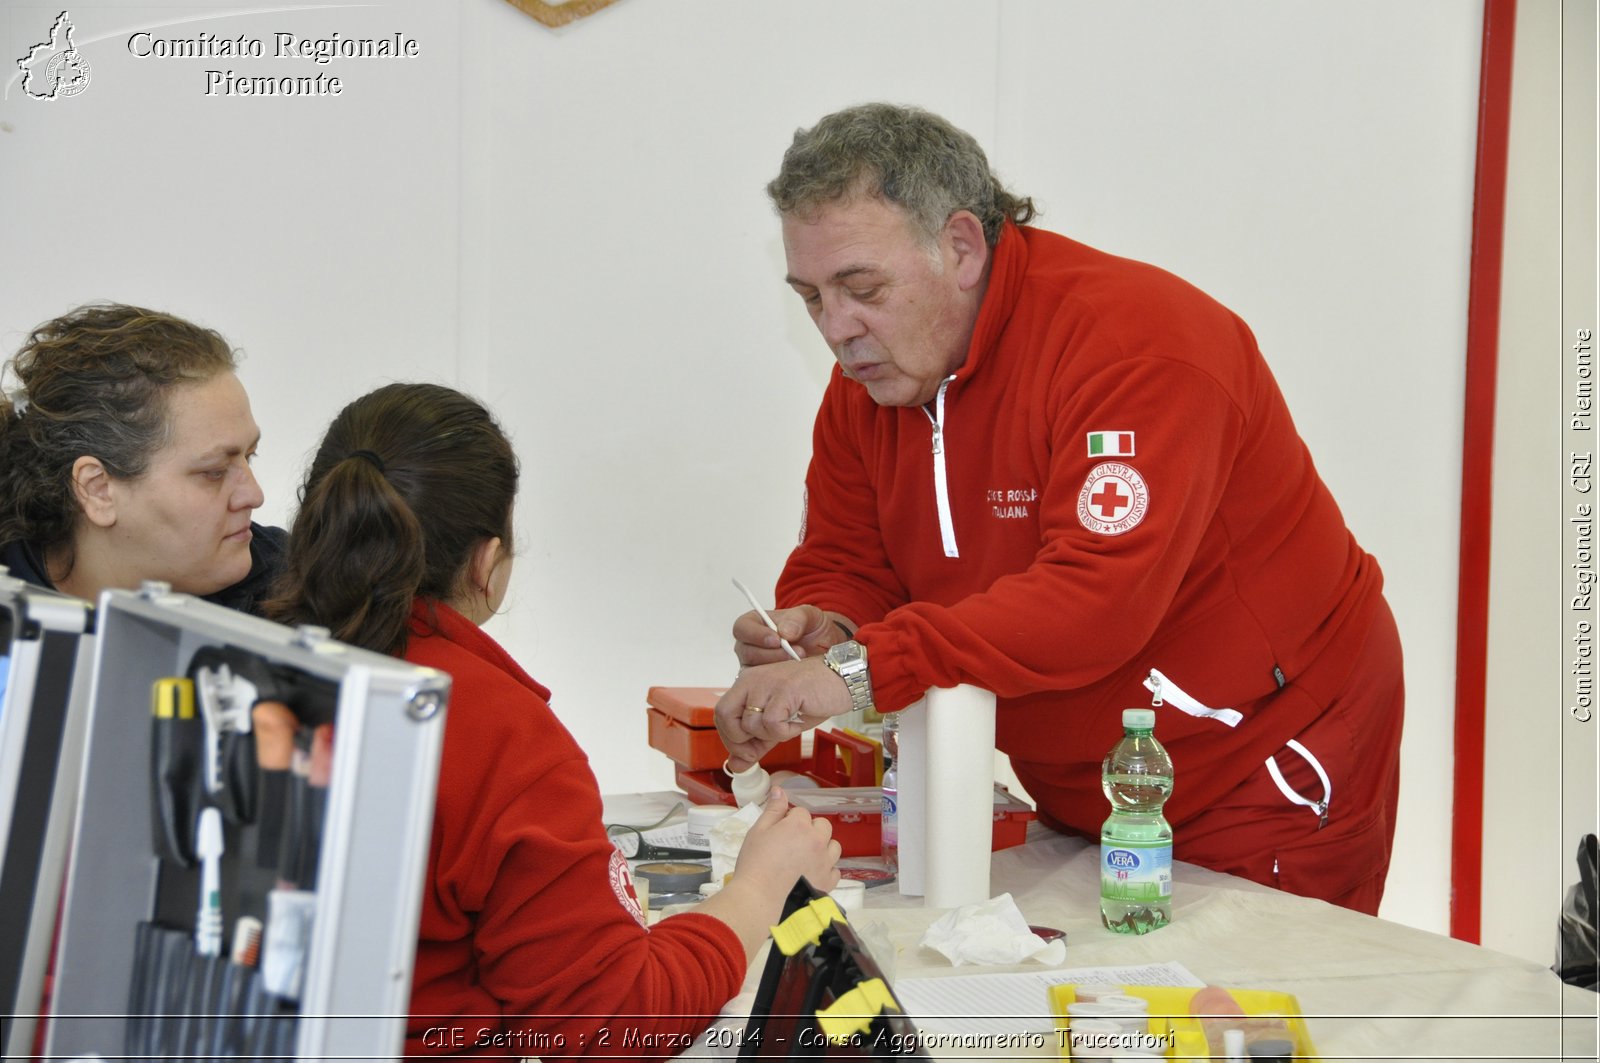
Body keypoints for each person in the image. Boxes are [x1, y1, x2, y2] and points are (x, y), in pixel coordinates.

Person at [714, 103, 1404, 915]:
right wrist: (822, 625)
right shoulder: (873, 381)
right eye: (810, 298)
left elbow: (1094, 601)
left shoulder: (1139, 348)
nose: (836, 328)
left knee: (1235, 1017)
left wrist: (859, 671)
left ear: (963, 247)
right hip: (1088, 777)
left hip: (1256, 759)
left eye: (861, 288)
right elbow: (852, 558)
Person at [266, 382, 840, 1058]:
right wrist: (758, 890)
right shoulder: (495, 732)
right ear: (488, 559)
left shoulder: (250, 664)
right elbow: (608, 1021)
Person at [0, 303, 283, 613]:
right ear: (98, 490)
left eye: (249, 456)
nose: (254, 496)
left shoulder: (297, 587)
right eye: (214, 472)